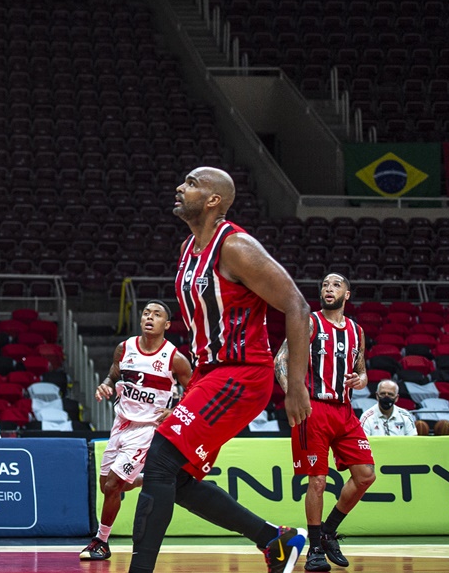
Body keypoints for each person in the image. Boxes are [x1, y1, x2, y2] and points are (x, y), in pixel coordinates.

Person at [127, 168, 313, 573]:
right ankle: (275, 540)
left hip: (244, 374)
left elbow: (299, 307)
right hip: (211, 375)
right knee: (173, 478)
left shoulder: (236, 246)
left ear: (214, 201)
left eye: (192, 183)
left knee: (159, 458)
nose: (180, 186)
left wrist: (295, 385)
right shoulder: (188, 248)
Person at [275, 273, 375, 572]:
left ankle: (329, 531)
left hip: (344, 411)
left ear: (347, 294)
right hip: (314, 408)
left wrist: (361, 380)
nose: (328, 289)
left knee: (365, 476)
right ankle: (315, 548)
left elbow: (362, 371)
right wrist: (293, 394)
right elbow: (281, 360)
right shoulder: (309, 322)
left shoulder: (357, 331)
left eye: (335, 285)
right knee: (317, 480)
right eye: (324, 285)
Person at [81, 300, 193, 561]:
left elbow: (196, 389)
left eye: (156, 315)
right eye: (145, 313)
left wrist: (175, 411)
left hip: (148, 427)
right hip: (121, 422)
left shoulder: (175, 358)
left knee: (112, 486)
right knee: (106, 486)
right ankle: (157, 479)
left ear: (166, 324)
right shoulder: (125, 347)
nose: (149, 318)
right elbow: (114, 372)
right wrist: (106, 384)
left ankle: (101, 542)